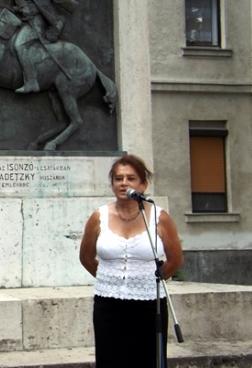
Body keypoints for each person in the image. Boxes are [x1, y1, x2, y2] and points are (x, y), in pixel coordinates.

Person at [79, 154, 184, 368]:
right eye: (118, 179)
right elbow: (86, 258)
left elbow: (175, 260)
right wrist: (111, 278)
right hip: (108, 304)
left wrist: (148, 282)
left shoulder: (159, 217)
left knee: (147, 360)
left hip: (149, 305)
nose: (123, 183)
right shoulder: (99, 217)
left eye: (131, 178)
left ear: (143, 185)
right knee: (111, 360)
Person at [12, 0, 78, 93]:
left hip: (40, 18)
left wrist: (33, 10)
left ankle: (31, 81)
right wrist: (23, 7)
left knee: (19, 44)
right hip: (26, 17)